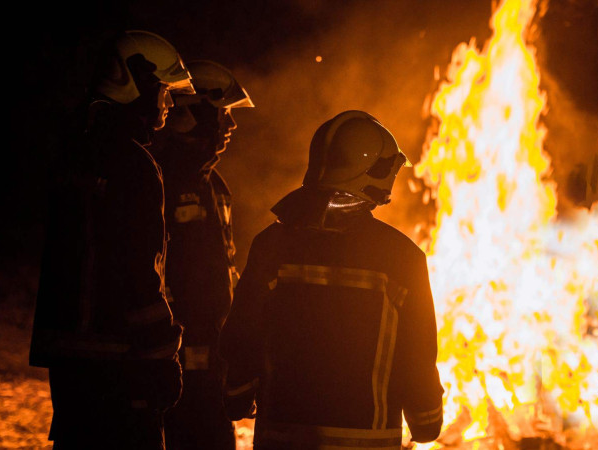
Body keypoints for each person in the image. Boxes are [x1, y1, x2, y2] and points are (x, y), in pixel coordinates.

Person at [219, 110, 444, 449]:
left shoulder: (272, 245)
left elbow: (241, 336)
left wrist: (236, 395)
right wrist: (427, 420)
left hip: (282, 439)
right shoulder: (402, 258)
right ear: (375, 173)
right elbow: (418, 358)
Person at [29, 30, 194, 449]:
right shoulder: (135, 165)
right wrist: (161, 354)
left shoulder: (75, 152)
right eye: (164, 90)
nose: (169, 103)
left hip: (67, 360)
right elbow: (141, 271)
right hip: (121, 360)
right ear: (137, 82)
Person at [151, 60, 254, 450]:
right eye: (223, 114)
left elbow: (220, 270)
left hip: (212, 358)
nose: (231, 126)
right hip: (174, 360)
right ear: (190, 114)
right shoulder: (158, 179)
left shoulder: (214, 185)